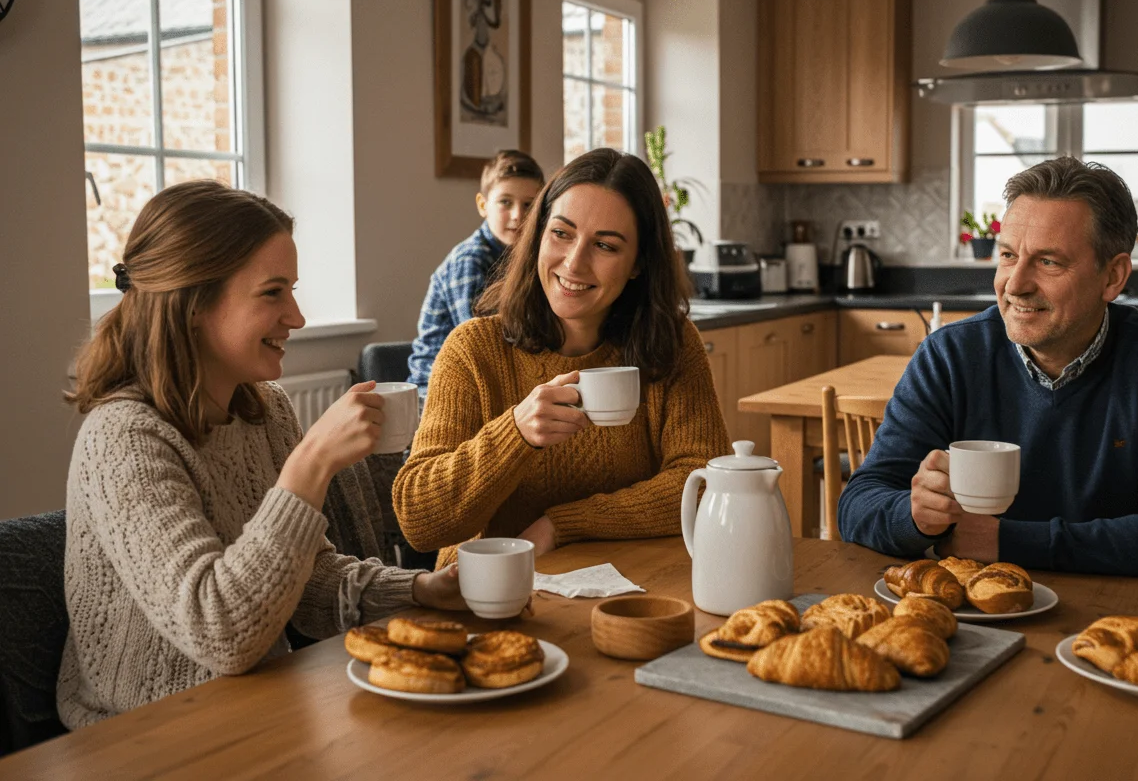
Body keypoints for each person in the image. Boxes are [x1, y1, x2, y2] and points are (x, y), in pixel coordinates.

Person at [59, 181, 464, 728]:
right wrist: (311, 464)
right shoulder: (123, 438)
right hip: (140, 736)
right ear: (194, 303)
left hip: (258, 709)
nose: (295, 316)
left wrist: (421, 590)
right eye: (273, 293)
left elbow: (305, 584)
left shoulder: (265, 411)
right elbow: (222, 633)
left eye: (292, 291)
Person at [838, 156, 1138, 580]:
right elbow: (858, 504)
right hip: (976, 620)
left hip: (1121, 618)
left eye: (1049, 262)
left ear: (1113, 276)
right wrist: (914, 516)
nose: (1015, 285)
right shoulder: (949, 356)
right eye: (1009, 255)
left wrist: (1009, 542)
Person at [393, 148, 731, 564]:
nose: (574, 263)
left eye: (605, 245)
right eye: (561, 233)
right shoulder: (473, 351)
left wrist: (560, 525)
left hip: (634, 589)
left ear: (638, 263)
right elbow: (420, 522)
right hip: (492, 599)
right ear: (538, 235)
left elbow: (704, 482)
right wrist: (515, 434)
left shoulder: (671, 344)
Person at [407, 149, 545, 399]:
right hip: (437, 389)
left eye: (529, 204)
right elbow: (479, 343)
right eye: (505, 202)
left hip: (483, 378)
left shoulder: (527, 256)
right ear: (483, 205)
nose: (518, 214)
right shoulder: (469, 261)